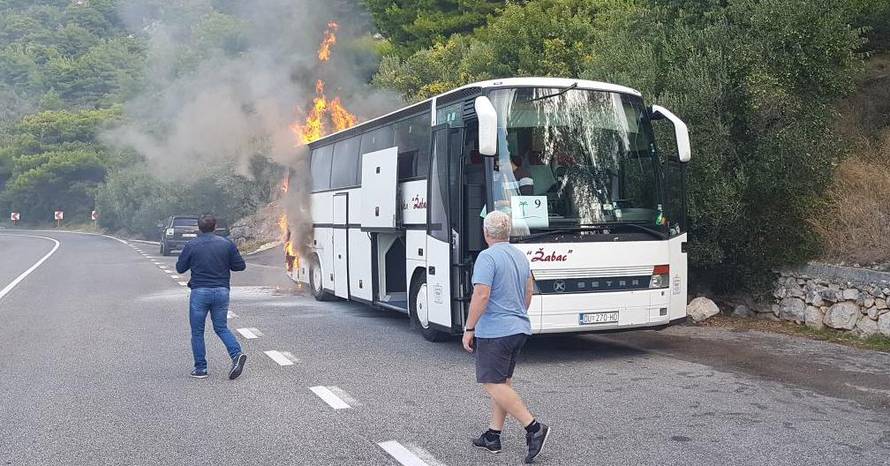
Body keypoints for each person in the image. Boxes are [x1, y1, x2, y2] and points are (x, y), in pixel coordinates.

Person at [463, 210, 550, 463]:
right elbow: (529, 290)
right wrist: (518, 313)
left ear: (486, 232)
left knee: (491, 382)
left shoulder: (487, 257)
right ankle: (493, 436)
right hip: (518, 328)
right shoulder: (520, 256)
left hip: (496, 331)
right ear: (507, 232)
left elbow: (481, 295)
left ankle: (534, 428)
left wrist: (469, 328)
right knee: (503, 383)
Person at [176, 214, 248, 380]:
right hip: (222, 291)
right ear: (215, 227)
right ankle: (236, 355)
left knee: (198, 331)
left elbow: (180, 268)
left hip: (200, 291)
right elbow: (240, 266)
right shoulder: (226, 244)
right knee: (221, 327)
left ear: (198, 228)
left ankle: (200, 369)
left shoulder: (191, 245)